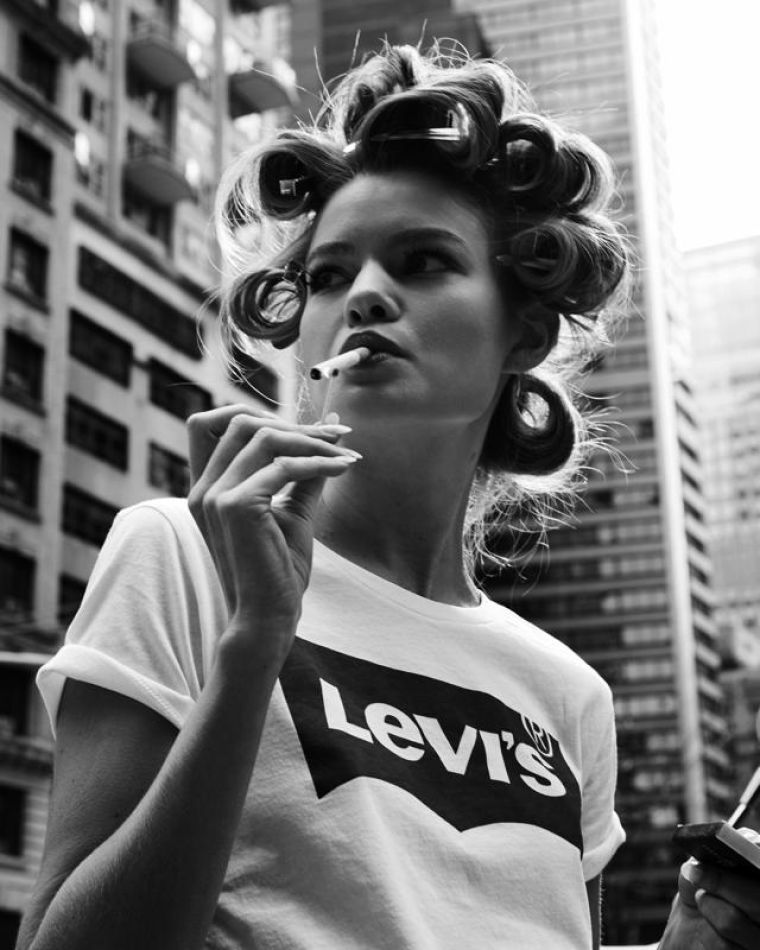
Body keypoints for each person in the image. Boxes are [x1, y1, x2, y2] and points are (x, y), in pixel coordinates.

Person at [15, 44, 759, 950]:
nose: (365, 295)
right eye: (328, 276)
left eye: (422, 261)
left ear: (523, 329)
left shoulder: (569, 693)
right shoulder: (183, 553)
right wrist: (255, 644)